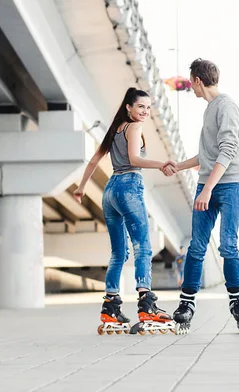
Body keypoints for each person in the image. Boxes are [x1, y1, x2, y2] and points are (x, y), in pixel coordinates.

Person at [74, 87, 175, 332]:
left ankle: (110, 308)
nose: (145, 112)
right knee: (143, 246)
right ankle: (146, 304)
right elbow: (134, 160)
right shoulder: (133, 127)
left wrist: (81, 187)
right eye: (141, 106)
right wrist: (162, 164)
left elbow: (94, 160)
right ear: (128, 107)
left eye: (148, 108)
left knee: (119, 253)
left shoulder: (114, 129)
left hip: (110, 191)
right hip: (129, 186)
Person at [166, 59, 239, 334]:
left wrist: (208, 189)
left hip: (231, 184)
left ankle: (238, 304)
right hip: (209, 183)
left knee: (227, 244)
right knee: (197, 247)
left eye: (192, 82)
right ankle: (186, 305)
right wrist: (177, 166)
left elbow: (228, 150)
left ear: (198, 81)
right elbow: (206, 156)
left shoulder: (225, 106)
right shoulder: (210, 110)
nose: (191, 87)